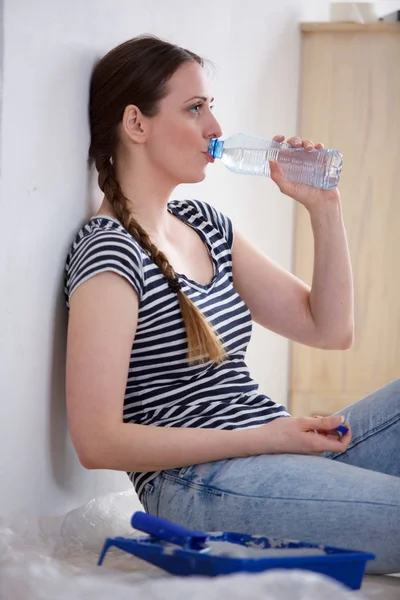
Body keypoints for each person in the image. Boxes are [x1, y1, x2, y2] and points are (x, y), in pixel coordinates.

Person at [64, 35, 399, 574]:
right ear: (136, 124)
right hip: (201, 483)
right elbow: (97, 441)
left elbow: (330, 328)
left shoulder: (204, 223)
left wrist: (323, 208)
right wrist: (265, 436)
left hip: (270, 449)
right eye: (195, 109)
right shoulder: (110, 249)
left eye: (210, 109)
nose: (215, 130)